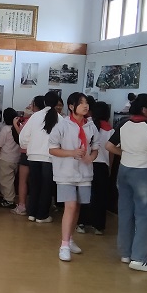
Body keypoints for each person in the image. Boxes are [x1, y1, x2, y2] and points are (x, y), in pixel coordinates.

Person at [106, 93, 147, 272]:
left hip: (124, 170)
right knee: (145, 214)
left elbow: (109, 146)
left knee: (126, 211)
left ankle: (125, 253)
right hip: (144, 172)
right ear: (144, 109)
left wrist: (127, 154)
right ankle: (140, 258)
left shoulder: (123, 124)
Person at [48, 92, 99, 262]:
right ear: (71, 106)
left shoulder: (91, 126)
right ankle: (63, 245)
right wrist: (72, 153)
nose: (86, 106)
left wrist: (91, 158)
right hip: (65, 173)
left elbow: (95, 147)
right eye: (81, 103)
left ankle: (70, 240)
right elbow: (52, 149)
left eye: (87, 103)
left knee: (77, 207)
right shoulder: (62, 125)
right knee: (70, 206)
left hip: (84, 173)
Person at [18, 91, 61, 223]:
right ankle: (42, 215)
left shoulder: (35, 116)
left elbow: (24, 136)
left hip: (33, 156)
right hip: (50, 157)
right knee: (46, 187)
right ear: (57, 103)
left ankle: (32, 213)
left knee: (35, 185)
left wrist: (29, 146)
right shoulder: (60, 119)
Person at [78, 101, 114, 235]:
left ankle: (82, 223)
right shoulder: (110, 130)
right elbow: (111, 152)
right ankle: (98, 226)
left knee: (86, 195)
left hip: (87, 163)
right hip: (102, 166)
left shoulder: (87, 125)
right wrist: (109, 167)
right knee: (100, 197)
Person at [11, 96, 43, 216]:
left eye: (31, 104)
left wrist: (15, 125)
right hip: (41, 154)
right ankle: (37, 207)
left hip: (27, 153)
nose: (29, 106)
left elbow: (23, 137)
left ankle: (22, 206)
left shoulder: (31, 119)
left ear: (35, 106)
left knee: (23, 180)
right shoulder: (47, 118)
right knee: (38, 181)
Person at [0, 108, 20, 209]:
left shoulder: (5, 129)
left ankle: (9, 200)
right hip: (17, 158)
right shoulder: (18, 128)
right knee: (11, 180)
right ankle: (7, 197)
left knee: (6, 180)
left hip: (5, 158)